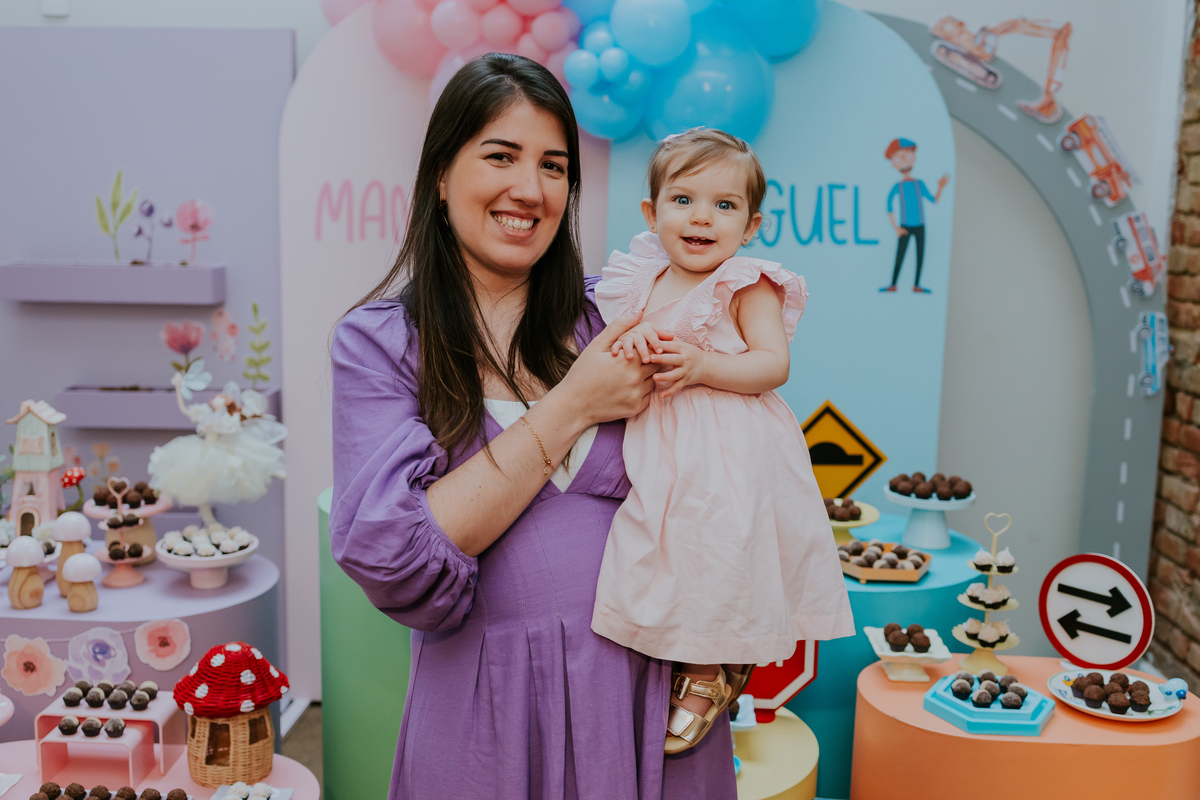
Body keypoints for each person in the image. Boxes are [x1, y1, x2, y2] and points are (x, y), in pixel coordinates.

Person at [330, 54, 737, 799]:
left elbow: (726, 463)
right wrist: (574, 403)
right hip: (489, 715)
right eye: (501, 156)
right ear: (441, 174)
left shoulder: (619, 315)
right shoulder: (383, 344)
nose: (530, 188)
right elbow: (397, 558)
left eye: (554, 166)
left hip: (648, 701)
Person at [590, 128, 855, 753]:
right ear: (652, 212)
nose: (702, 217)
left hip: (727, 444)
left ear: (751, 224)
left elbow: (772, 363)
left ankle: (708, 669)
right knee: (659, 547)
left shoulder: (745, 282)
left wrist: (704, 365)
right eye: (683, 200)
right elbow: (620, 342)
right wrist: (634, 342)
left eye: (724, 205)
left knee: (716, 550)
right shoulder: (641, 278)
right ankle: (674, 655)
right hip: (661, 438)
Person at [880, 137, 949, 293]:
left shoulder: (919, 184)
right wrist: (896, 228)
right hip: (905, 226)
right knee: (900, 255)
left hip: (920, 225)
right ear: (893, 163)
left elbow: (933, 199)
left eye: (907, 155)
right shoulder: (898, 186)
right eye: (898, 158)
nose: (904, 160)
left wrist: (940, 187)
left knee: (920, 255)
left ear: (914, 157)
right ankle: (893, 284)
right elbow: (889, 206)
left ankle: (916, 284)